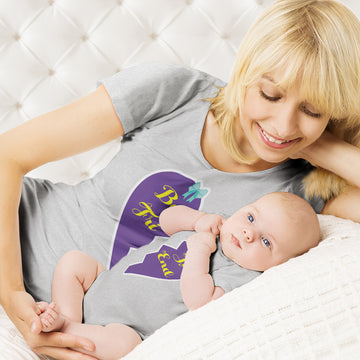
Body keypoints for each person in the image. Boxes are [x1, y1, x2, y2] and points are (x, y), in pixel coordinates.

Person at [1, 0, 360, 358]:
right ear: (246, 71)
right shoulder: (178, 93)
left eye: (311, 110)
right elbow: (8, 155)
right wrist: (14, 296)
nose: (283, 125)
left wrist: (326, 149)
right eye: (270, 94)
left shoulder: (306, 191)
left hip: (101, 331)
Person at [34, 192, 320, 360]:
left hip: (125, 326)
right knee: (74, 262)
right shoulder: (214, 226)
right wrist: (197, 220)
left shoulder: (242, 278)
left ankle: (66, 331)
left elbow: (199, 300)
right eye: (251, 217)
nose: (248, 233)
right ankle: (67, 318)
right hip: (101, 284)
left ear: (280, 265)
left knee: (125, 345)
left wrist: (199, 250)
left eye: (266, 242)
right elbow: (165, 220)